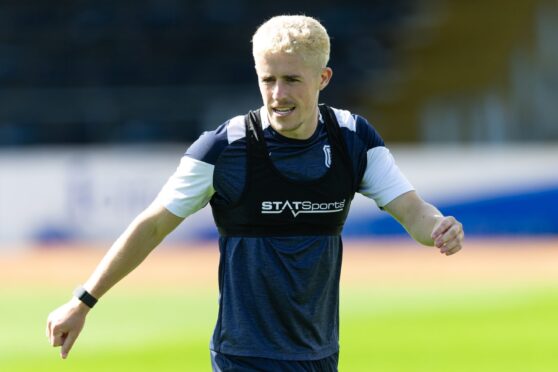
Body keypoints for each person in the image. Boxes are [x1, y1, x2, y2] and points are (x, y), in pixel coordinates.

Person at [46, 15, 464, 371]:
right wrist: (82, 302)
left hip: (319, 356)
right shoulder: (224, 148)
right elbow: (152, 224)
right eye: (269, 79)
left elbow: (412, 210)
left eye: (291, 80)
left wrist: (438, 228)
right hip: (243, 357)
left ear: (323, 78)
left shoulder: (352, 139)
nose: (278, 95)